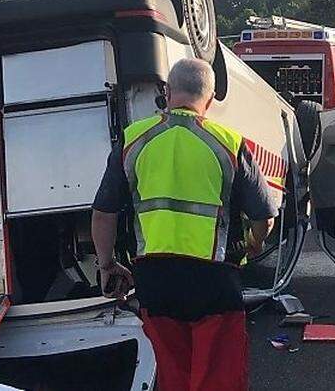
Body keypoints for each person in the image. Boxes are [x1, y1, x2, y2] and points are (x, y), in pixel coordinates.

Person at [91, 58, 278, 391]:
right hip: (214, 279)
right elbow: (264, 215)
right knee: (218, 376)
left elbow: (104, 213)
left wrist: (107, 265)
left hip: (155, 281)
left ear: (167, 91)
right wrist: (253, 243)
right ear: (211, 98)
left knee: (174, 375)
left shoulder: (133, 140)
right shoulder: (228, 143)